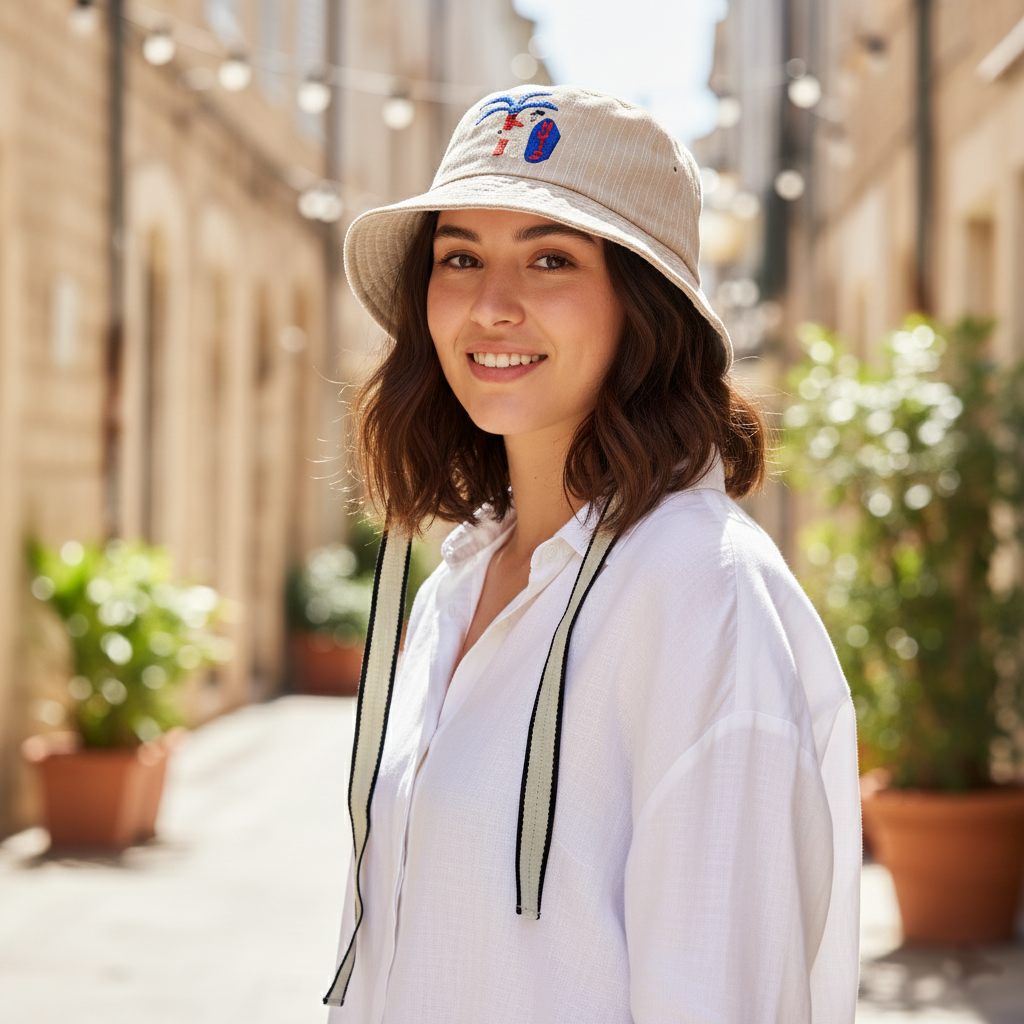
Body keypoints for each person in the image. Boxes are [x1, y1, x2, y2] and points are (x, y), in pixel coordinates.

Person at [325, 85, 860, 1024]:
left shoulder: (702, 592)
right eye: (460, 256)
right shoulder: (456, 582)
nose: (492, 305)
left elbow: (717, 991)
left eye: (550, 258)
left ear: (641, 307)